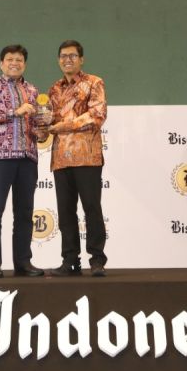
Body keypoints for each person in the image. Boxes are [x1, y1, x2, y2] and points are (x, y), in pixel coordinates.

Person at [0, 45, 45, 278]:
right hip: (0, 157)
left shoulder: (32, 90)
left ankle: (23, 263)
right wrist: (15, 111)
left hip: (27, 157)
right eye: (10, 59)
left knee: (25, 212)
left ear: (24, 64)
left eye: (19, 60)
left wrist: (42, 131)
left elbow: (33, 125)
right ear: (1, 63)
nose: (14, 63)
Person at [46, 40, 108, 277]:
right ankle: (70, 261)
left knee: (91, 208)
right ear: (58, 60)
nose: (67, 60)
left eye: (72, 56)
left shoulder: (94, 82)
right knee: (65, 212)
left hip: (87, 156)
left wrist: (63, 126)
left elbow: (97, 115)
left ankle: (97, 260)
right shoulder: (54, 89)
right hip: (61, 158)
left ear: (81, 59)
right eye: (63, 56)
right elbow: (51, 120)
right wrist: (42, 126)